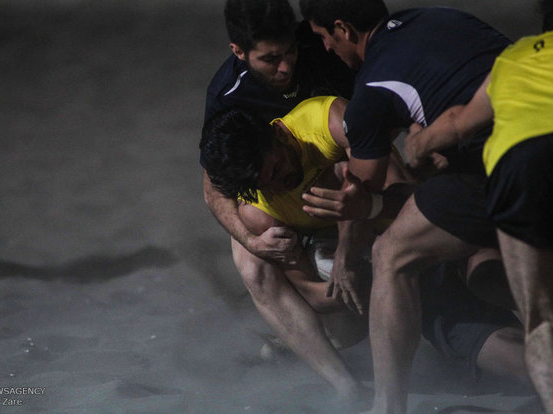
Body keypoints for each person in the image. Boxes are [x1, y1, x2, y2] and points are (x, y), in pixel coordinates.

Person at [200, 96, 529, 408]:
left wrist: (355, 235)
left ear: (278, 134)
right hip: (379, 276)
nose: (278, 185)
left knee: (490, 277)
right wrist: (365, 286)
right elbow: (309, 293)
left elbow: (409, 196)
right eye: (264, 184)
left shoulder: (329, 125)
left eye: (275, 169)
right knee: (475, 336)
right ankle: (342, 374)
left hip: (421, 231)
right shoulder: (259, 208)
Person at [298, 1, 515, 412]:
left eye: (324, 37)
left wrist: (345, 253)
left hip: (503, 162)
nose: (326, 48)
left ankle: (387, 405)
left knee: (392, 254)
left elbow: (359, 190)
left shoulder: (371, 89)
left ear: (342, 29)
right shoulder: (441, 16)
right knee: (490, 265)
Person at [201, 0, 357, 400]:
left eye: (289, 52)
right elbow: (214, 184)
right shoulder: (228, 95)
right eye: (270, 59)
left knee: (349, 316)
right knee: (250, 262)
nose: (286, 67)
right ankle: (342, 384)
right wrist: (251, 240)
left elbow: (376, 132)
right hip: (277, 196)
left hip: (347, 177)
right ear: (238, 51)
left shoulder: (323, 47)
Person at [402, 14, 553, 412]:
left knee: (539, 316)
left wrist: (415, 146)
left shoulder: (516, 56)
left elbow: (458, 125)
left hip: (517, 171)